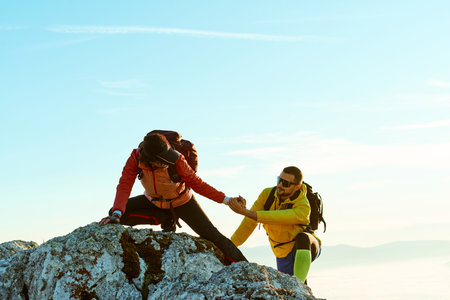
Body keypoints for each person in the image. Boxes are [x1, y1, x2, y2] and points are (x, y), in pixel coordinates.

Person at [99, 132, 247, 263]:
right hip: (154, 201)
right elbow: (125, 184)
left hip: (183, 201)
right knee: (114, 215)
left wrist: (227, 200)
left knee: (212, 235)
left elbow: (198, 184)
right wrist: (118, 212)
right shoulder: (136, 158)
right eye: (162, 160)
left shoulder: (177, 159)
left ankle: (245, 266)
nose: (167, 161)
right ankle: (164, 218)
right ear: (151, 160)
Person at [228, 166, 321, 283]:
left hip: (307, 246)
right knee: (290, 284)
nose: (280, 185)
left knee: (303, 239)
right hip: (282, 251)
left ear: (297, 187)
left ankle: (300, 287)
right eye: (279, 180)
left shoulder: (303, 206)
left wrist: (245, 211)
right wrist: (229, 245)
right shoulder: (267, 195)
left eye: (286, 183)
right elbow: (248, 224)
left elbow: (277, 217)